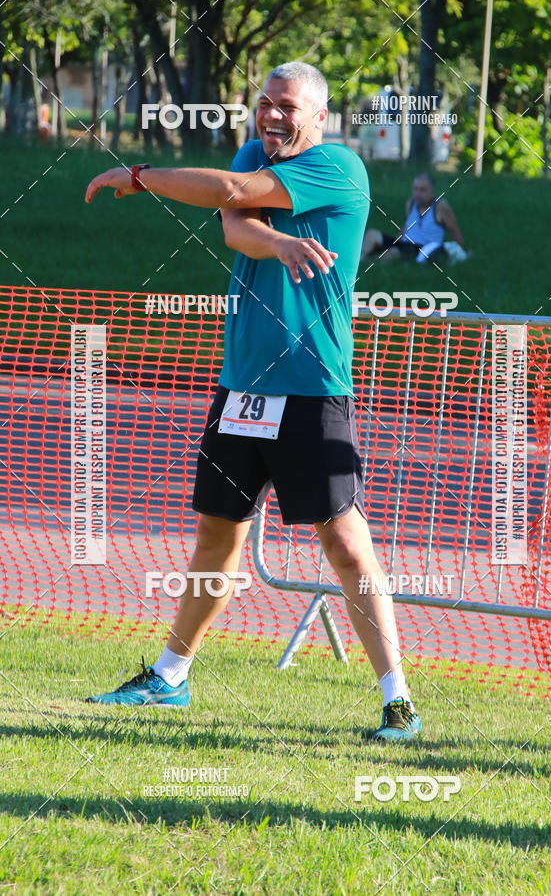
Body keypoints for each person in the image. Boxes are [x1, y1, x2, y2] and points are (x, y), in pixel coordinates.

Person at [83, 61, 421, 743]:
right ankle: (169, 678)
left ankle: (398, 702)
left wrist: (141, 174)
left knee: (346, 543)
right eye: (264, 103)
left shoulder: (340, 169)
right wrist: (276, 241)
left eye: (287, 106)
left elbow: (237, 191)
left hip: (310, 386)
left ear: (320, 116)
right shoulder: (252, 153)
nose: (271, 115)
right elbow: (235, 221)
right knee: (217, 534)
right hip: (242, 385)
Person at [361, 172, 467, 264]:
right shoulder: (410, 204)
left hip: (423, 249)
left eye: (423, 190)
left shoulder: (440, 207)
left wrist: (462, 252)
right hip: (404, 244)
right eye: (415, 189)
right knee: (372, 234)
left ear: (432, 191)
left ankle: (372, 265)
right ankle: (360, 260)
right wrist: (395, 242)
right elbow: (407, 227)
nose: (418, 194)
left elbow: (455, 231)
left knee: (393, 252)